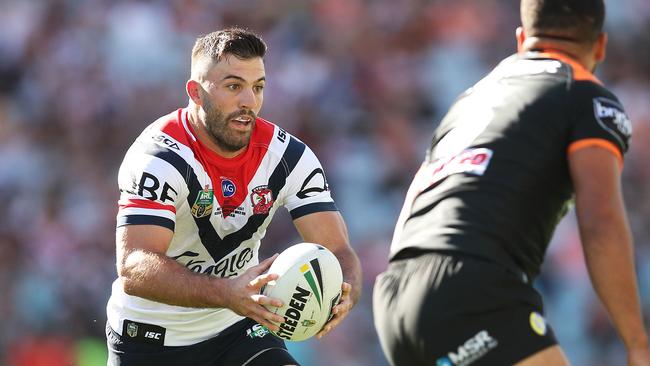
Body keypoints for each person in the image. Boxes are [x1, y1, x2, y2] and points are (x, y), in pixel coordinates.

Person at [373, 1, 650, 365]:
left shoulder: (469, 100)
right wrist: (636, 343)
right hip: (472, 291)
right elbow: (600, 220)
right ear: (599, 46)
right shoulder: (585, 94)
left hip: (396, 300)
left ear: (522, 39)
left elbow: (417, 200)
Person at [105, 27, 361, 366]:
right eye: (233, 86)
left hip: (237, 330)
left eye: (257, 88)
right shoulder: (159, 158)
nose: (249, 102)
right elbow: (135, 266)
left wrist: (345, 291)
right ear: (196, 92)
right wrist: (227, 293)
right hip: (150, 341)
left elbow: (339, 250)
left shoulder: (288, 157)